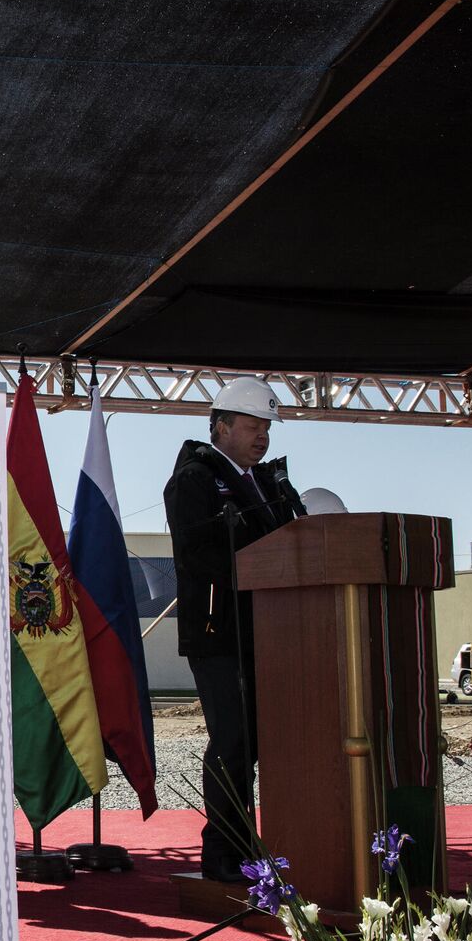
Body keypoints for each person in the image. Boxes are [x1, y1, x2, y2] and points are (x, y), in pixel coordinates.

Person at [162, 378, 307, 884]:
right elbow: (197, 553)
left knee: (257, 742)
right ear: (221, 426)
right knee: (233, 741)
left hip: (267, 631)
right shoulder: (196, 479)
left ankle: (250, 843)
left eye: (266, 427)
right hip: (218, 632)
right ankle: (222, 852)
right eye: (252, 426)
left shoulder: (266, 483)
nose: (262, 437)